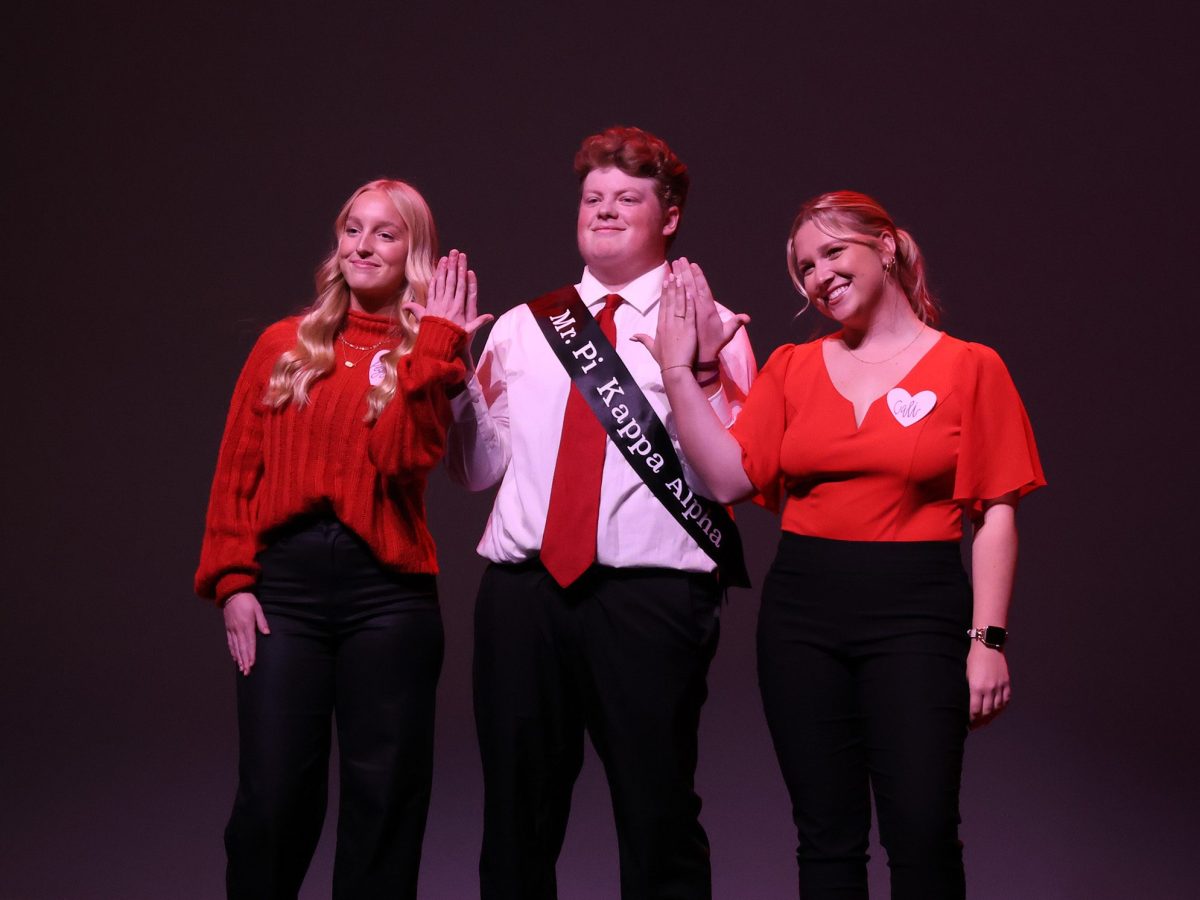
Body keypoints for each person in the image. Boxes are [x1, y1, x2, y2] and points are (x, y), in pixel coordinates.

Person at [645, 191, 1045, 899]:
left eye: (833, 252)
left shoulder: (970, 367)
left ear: (885, 247)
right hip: (802, 613)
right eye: (805, 267)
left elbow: (998, 516)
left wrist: (988, 639)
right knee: (826, 840)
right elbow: (726, 478)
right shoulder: (793, 368)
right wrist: (679, 370)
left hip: (918, 613)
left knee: (922, 834)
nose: (819, 275)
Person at [445, 126, 757, 899]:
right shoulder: (522, 327)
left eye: (628, 198)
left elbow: (735, 473)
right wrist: (449, 374)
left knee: (658, 819)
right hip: (522, 597)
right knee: (516, 822)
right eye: (593, 198)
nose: (605, 211)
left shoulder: (710, 322)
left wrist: (707, 362)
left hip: (651, 599)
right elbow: (475, 472)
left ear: (670, 215)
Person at [194, 179, 490, 900]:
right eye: (352, 229)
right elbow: (236, 471)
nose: (362, 245)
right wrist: (233, 581)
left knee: (384, 800)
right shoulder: (282, 346)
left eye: (384, 234)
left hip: (388, 596)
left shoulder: (429, 358)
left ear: (413, 252)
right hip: (284, 590)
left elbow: (400, 458)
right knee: (271, 801)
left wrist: (436, 351)